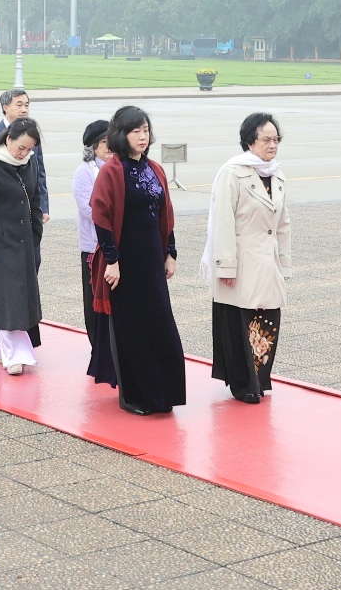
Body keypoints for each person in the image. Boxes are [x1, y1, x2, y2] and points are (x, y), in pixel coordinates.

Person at [88, 106, 186, 413]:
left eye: (145, 130)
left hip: (152, 262)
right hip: (125, 265)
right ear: (121, 135)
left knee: (160, 326)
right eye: (135, 131)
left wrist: (170, 252)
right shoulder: (112, 170)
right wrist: (113, 261)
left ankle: (163, 394)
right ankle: (133, 396)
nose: (142, 137)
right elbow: (101, 217)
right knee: (132, 331)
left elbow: (165, 214)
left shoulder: (154, 168)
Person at [206, 112, 291, 404]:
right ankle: (244, 384)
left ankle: (260, 378)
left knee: (267, 319)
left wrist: (285, 264)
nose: (272, 145)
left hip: (267, 262)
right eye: (266, 139)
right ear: (249, 141)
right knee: (241, 322)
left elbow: (283, 224)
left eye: (276, 139)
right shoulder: (234, 172)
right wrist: (225, 264)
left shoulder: (276, 174)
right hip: (241, 260)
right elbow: (224, 222)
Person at [0, 114, 46, 374]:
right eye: (21, 147)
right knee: (7, 298)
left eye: (29, 149)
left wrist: (36, 235)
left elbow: (35, 199)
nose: (24, 153)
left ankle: (3, 348)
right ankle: (12, 354)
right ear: (9, 139)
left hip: (25, 241)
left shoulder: (30, 163)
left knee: (23, 296)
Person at [71, 120, 112, 373]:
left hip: (118, 245)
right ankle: (98, 349)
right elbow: (89, 209)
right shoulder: (85, 172)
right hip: (94, 247)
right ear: (93, 146)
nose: (109, 147)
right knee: (95, 300)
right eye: (104, 142)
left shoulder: (120, 167)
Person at [0, 88, 50, 229]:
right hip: (3, 214)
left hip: (29, 211)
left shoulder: (31, 134)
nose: (24, 109)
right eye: (19, 105)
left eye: (27, 105)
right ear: (6, 107)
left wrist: (44, 206)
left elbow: (40, 174)